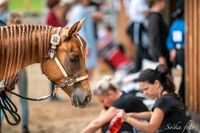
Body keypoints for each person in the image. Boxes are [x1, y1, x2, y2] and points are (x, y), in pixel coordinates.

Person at [118, 64, 189, 133]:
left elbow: (150, 129)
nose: (144, 93)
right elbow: (153, 114)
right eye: (142, 90)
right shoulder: (171, 95)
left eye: (146, 89)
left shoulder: (163, 100)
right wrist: (132, 115)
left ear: (156, 83)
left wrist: (127, 119)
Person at [81, 76, 148, 133]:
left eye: (103, 101)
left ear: (110, 94)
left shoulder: (124, 100)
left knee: (111, 125)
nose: (103, 104)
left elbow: (97, 123)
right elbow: (99, 122)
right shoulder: (114, 102)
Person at [0, 12, 30, 133]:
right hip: (21, 70)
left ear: (8, 22)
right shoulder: (25, 37)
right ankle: (25, 126)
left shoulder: (4, 36)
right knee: (24, 99)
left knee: (4, 100)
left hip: (7, 71)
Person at [45, 0, 71, 100]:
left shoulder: (52, 14)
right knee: (54, 72)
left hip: (53, 44)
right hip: (52, 45)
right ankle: (53, 95)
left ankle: (53, 94)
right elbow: (57, 28)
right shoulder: (51, 15)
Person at [67, 0, 97, 79]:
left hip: (82, 45)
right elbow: (79, 30)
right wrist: (85, 46)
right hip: (83, 47)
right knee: (84, 74)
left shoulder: (77, 10)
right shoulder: (79, 10)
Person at [166, 0, 185, 104]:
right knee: (178, 76)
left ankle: (180, 97)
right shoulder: (176, 23)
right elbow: (169, 40)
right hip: (178, 54)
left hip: (183, 52)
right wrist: (172, 48)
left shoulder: (187, 22)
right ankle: (177, 97)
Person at [124, 0, 150, 73]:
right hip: (138, 25)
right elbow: (146, 11)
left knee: (141, 48)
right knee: (140, 47)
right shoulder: (138, 1)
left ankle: (138, 68)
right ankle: (138, 69)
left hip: (139, 26)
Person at [147, 0, 171, 68]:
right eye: (164, 2)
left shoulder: (157, 16)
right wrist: (160, 56)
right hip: (158, 53)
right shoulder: (154, 17)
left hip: (160, 52)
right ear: (159, 2)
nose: (165, 4)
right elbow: (154, 37)